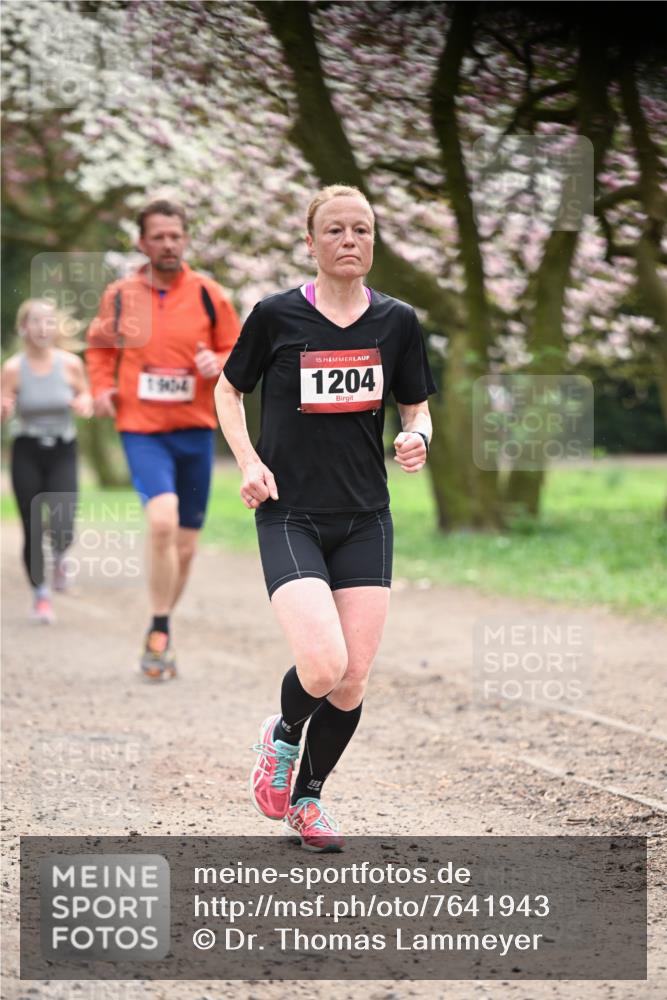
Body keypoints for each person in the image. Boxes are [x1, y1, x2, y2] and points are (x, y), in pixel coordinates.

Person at [215, 184, 435, 852]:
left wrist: (418, 437)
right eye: (334, 230)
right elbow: (228, 391)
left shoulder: (397, 322)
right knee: (321, 665)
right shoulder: (275, 316)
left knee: (352, 679)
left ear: (373, 241)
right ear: (309, 243)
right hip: (289, 513)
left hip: (366, 514)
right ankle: (280, 739)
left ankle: (307, 800)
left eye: (361, 230)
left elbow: (415, 406)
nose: (349, 241)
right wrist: (248, 462)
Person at [86, 199, 240, 680]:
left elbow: (235, 347)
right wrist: (100, 388)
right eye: (158, 236)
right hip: (142, 429)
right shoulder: (119, 295)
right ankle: (158, 627)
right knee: (162, 523)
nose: (168, 244)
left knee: (187, 547)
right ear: (141, 242)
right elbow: (98, 346)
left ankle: (161, 625)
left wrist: (219, 363)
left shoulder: (209, 295)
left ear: (185, 239)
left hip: (195, 430)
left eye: (175, 236)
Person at [1, 299, 92, 623]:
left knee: (63, 523)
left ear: (56, 328)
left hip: (63, 449)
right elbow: (4, 402)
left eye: (49, 322)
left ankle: (60, 555)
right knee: (31, 525)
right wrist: (4, 407)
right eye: (36, 322)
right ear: (23, 327)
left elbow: (85, 396)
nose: (43, 328)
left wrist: (83, 403)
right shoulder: (13, 368)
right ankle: (41, 594)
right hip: (27, 450)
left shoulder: (70, 364)